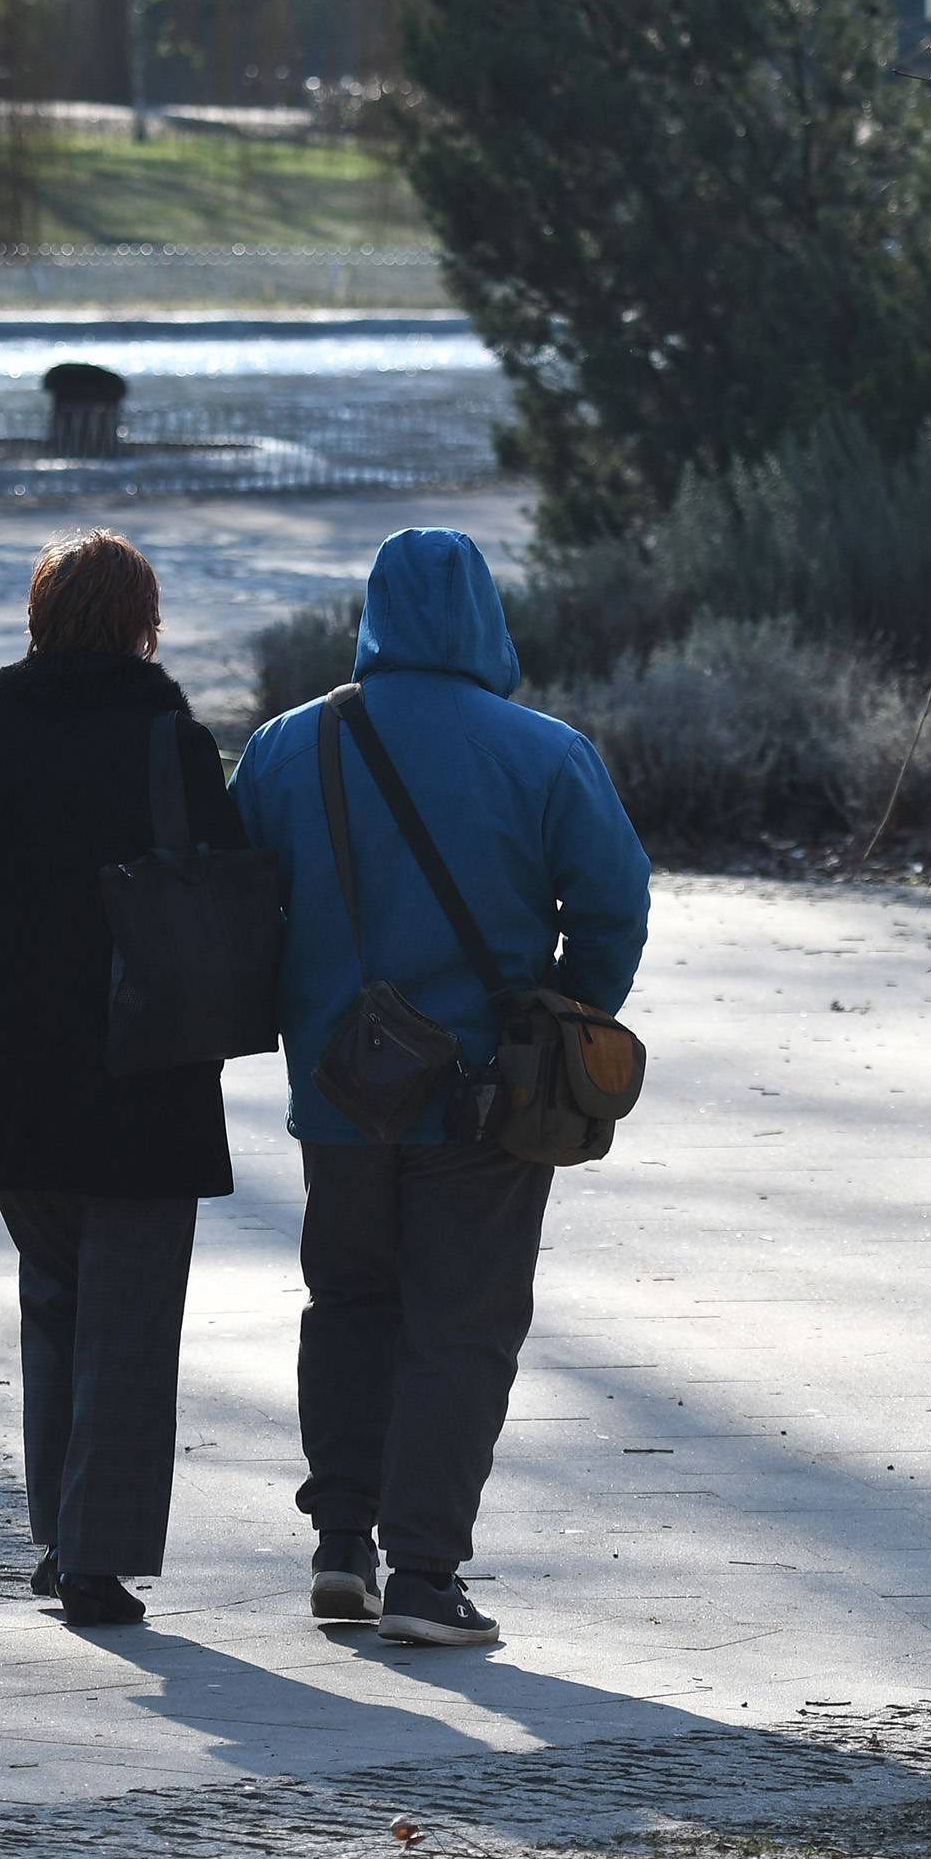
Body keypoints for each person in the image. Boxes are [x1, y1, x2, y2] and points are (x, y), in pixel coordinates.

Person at [231, 527, 651, 1646]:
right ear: (484, 616)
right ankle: (422, 1574)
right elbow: (614, 907)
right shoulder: (546, 751)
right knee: (461, 1324)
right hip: (485, 1096)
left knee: (349, 1306)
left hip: (336, 1092)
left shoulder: (283, 746)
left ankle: (338, 1546)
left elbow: (235, 901)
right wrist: (555, 1014)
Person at [0, 529, 243, 1629]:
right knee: (131, 1319)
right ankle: (96, 1559)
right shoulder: (170, 742)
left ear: (38, 617)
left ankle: (60, 1536)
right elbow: (224, 883)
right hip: (146, 1061)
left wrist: (23, 938)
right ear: (142, 621)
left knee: (54, 1303)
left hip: (20, 1060)